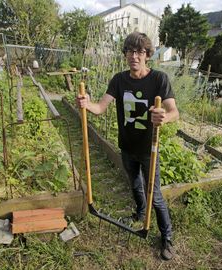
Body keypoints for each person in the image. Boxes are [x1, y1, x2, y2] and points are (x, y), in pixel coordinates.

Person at [76, 32, 179, 260]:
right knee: (134, 185)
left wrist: (164, 117)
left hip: (148, 149)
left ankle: (167, 236)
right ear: (125, 55)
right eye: (130, 51)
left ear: (147, 55)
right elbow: (100, 107)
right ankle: (140, 214)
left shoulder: (159, 79)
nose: (135, 56)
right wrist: (86, 104)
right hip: (127, 147)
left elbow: (174, 112)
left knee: (155, 195)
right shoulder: (119, 80)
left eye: (140, 52)